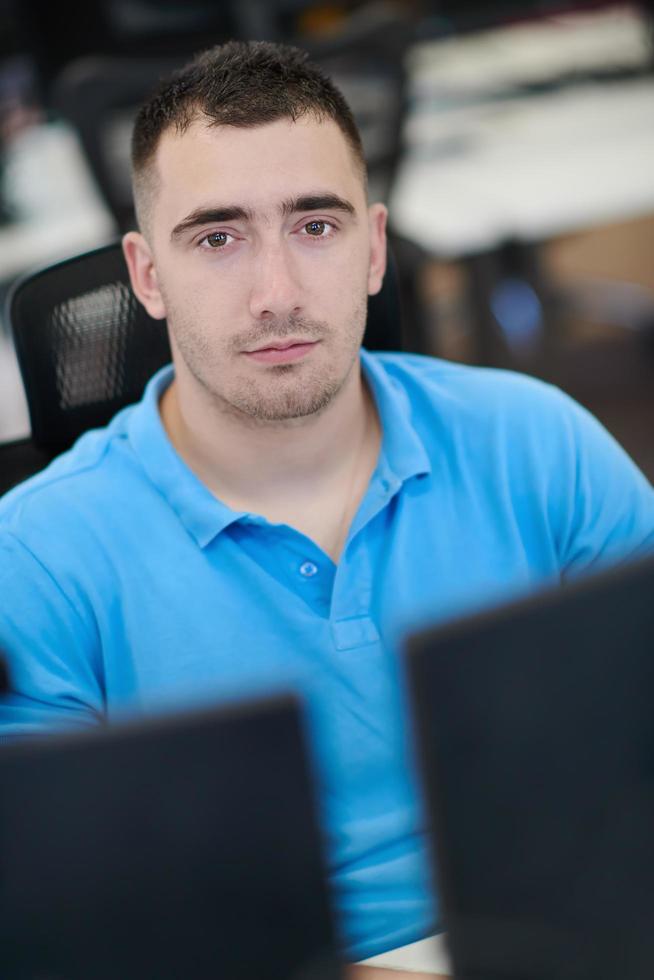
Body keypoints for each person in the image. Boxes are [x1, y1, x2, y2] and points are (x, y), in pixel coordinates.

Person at [1, 40, 653, 973]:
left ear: (375, 248)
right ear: (146, 275)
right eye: (218, 238)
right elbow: (67, 934)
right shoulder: (37, 562)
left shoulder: (536, 444)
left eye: (315, 226)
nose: (277, 295)